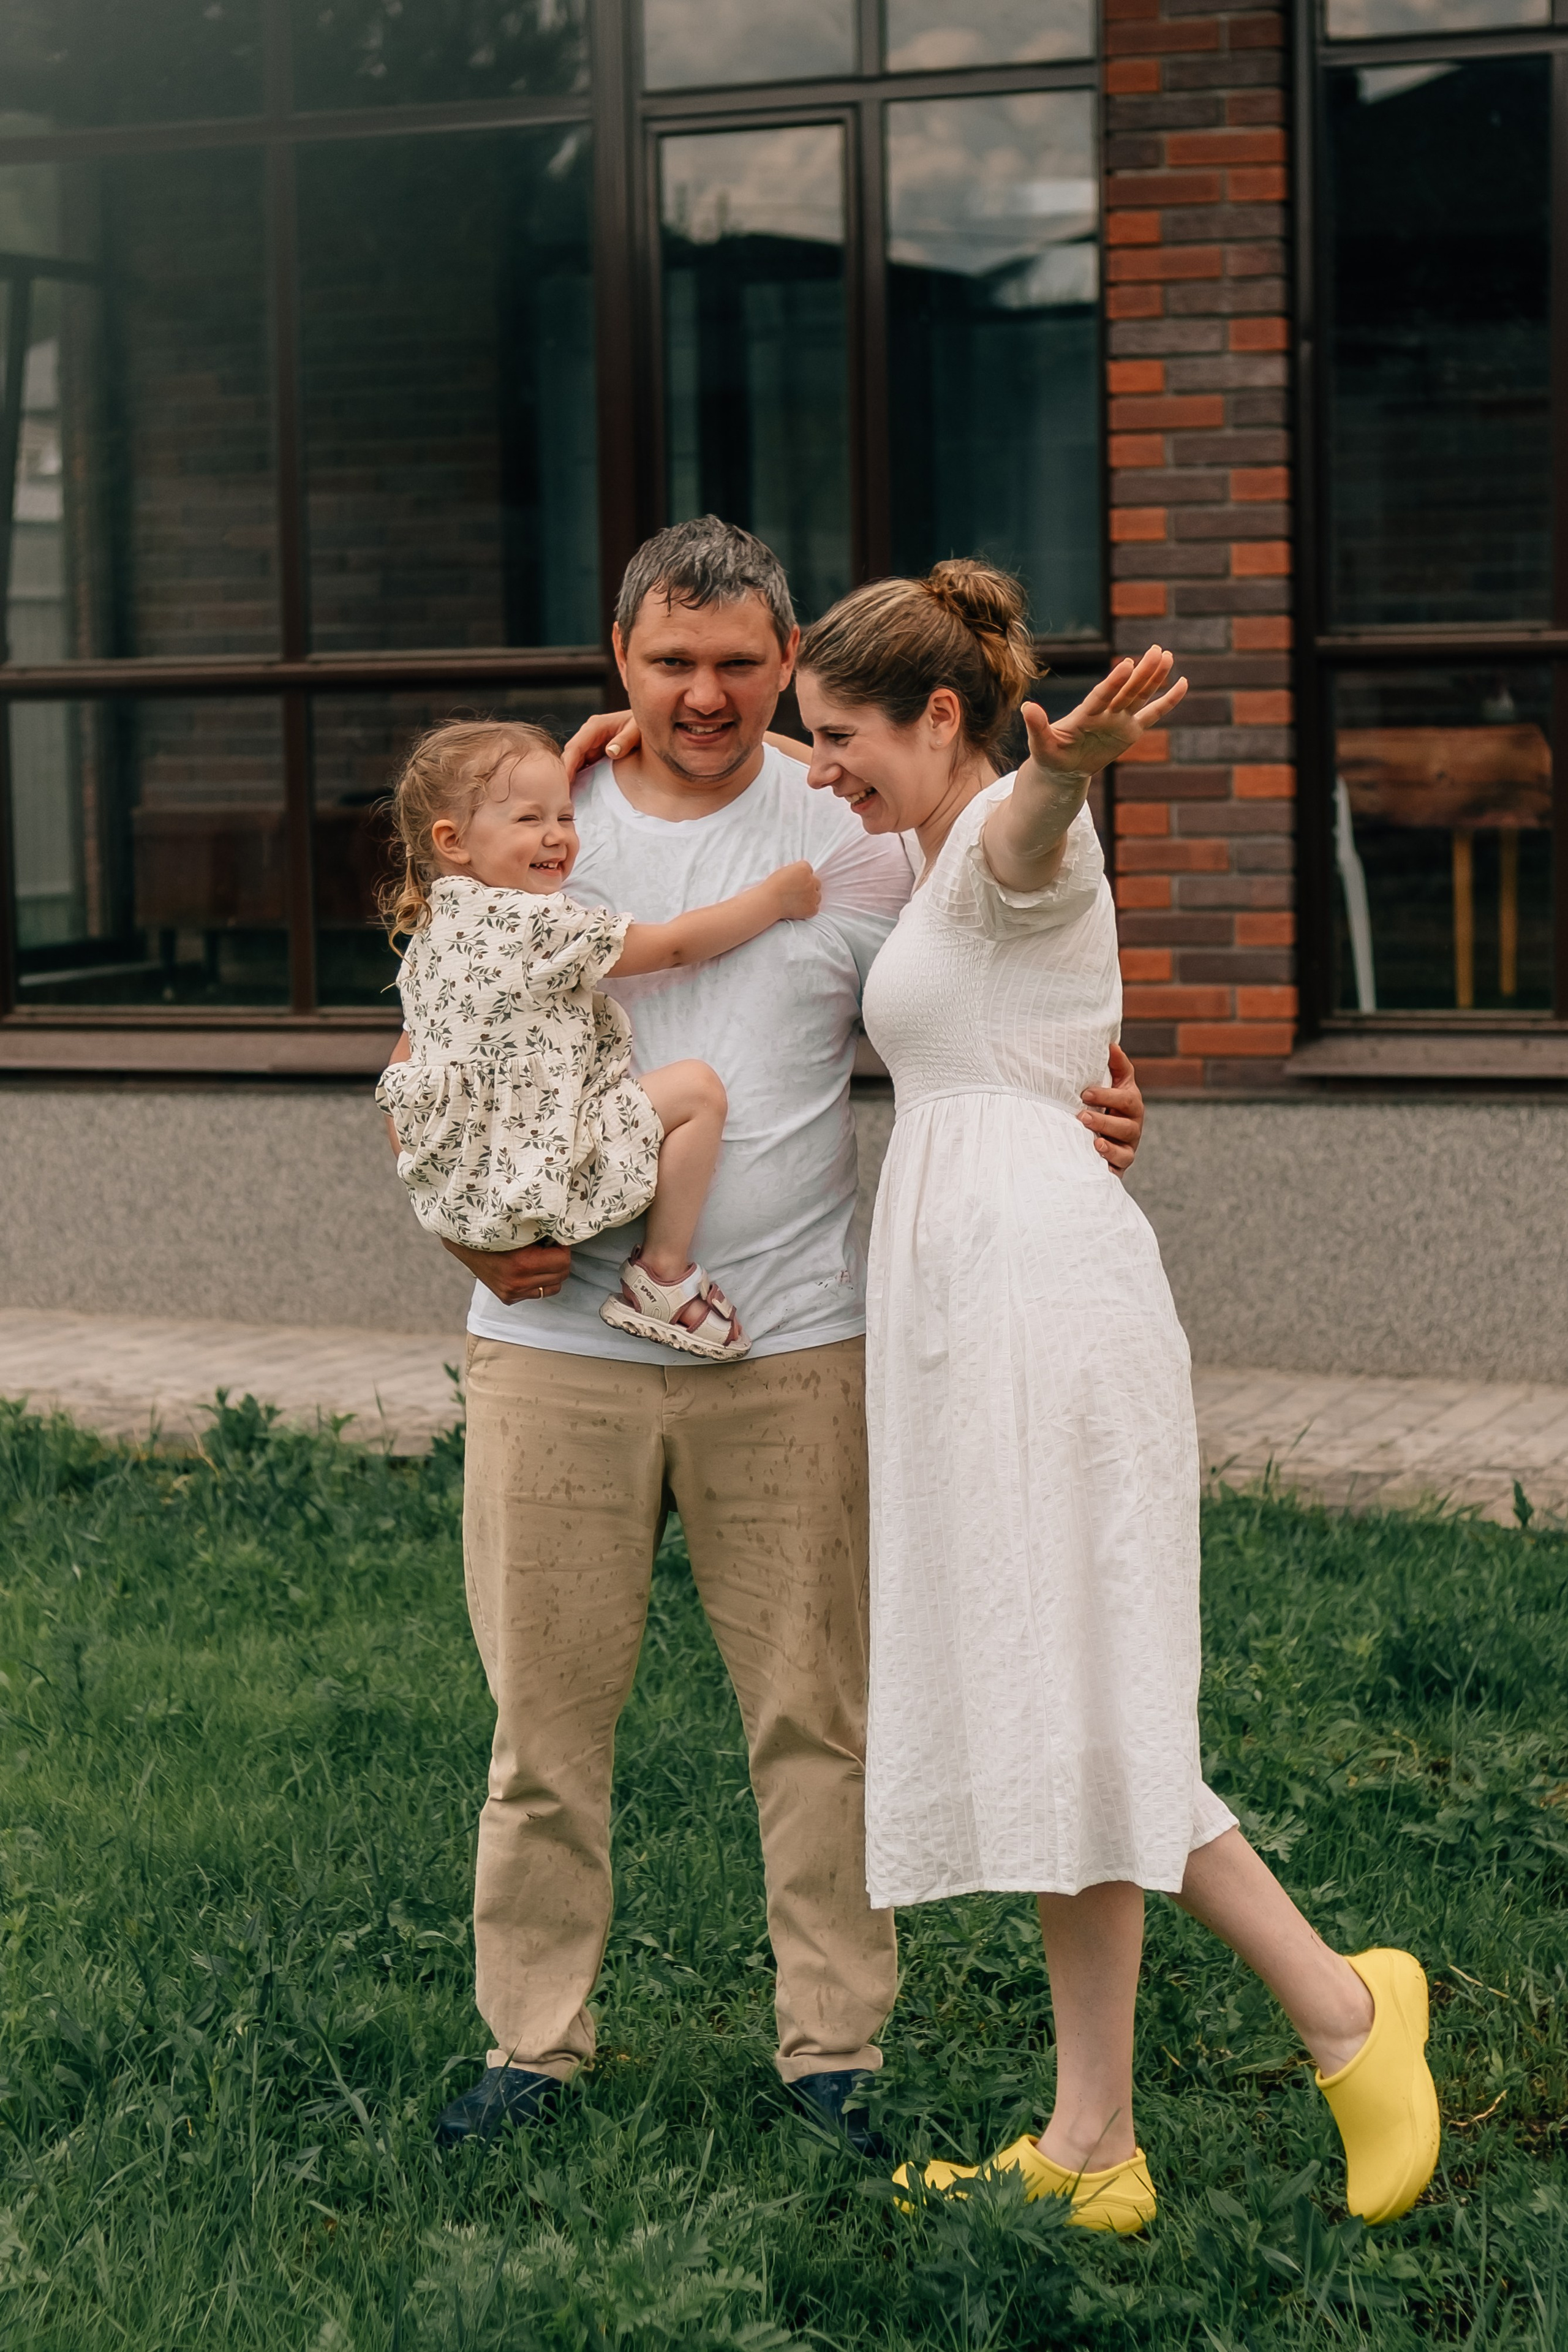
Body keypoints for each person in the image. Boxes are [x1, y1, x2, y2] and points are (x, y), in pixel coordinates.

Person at [382, 517, 1147, 2151]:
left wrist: (1088, 1098)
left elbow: (999, 966)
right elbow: (439, 1037)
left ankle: (834, 2060)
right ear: (622, 664)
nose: (706, 695)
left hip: (792, 1345)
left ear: (790, 664)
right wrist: (458, 1223)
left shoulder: (859, 822)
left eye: (740, 663)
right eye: (672, 661)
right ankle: (533, 2048)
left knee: (817, 1721)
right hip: (556, 1353)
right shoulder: (543, 811)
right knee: (541, 1733)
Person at [793, 559, 1441, 2233]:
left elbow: (1032, 835)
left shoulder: (1017, 829)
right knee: (1040, 1700)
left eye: (843, 736)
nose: (824, 769)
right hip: (981, 1302)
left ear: (948, 720)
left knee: (1085, 1708)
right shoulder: (925, 862)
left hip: (1041, 1313)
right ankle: (1095, 2144)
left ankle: (1350, 2012)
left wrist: (1064, 765)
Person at [376, 715, 822, 1359]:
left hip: (474, 1186)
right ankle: (662, 1276)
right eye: (530, 820)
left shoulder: (428, 938)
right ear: (453, 841)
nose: (556, 837)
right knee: (696, 1090)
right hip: (551, 1164)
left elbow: (406, 1081)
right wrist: (774, 899)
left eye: (566, 817)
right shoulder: (534, 925)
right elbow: (670, 948)